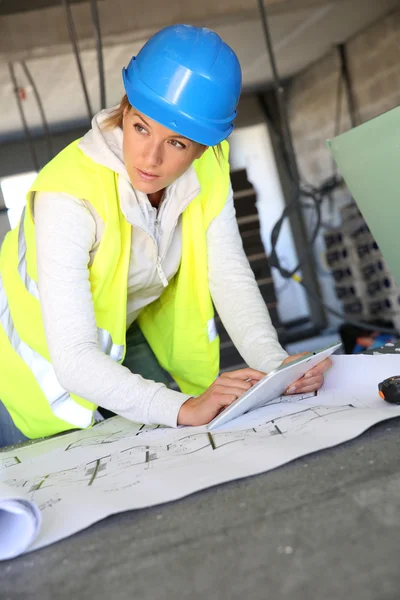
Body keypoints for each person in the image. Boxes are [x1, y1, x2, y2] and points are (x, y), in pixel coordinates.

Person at [0, 24, 331, 449]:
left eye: (176, 143)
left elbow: (227, 273)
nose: (150, 158)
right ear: (126, 108)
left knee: (167, 446)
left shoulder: (209, 168)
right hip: (22, 370)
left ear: (202, 146)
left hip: (119, 330)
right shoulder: (67, 194)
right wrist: (180, 407)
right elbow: (75, 359)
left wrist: (276, 365)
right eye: (140, 128)